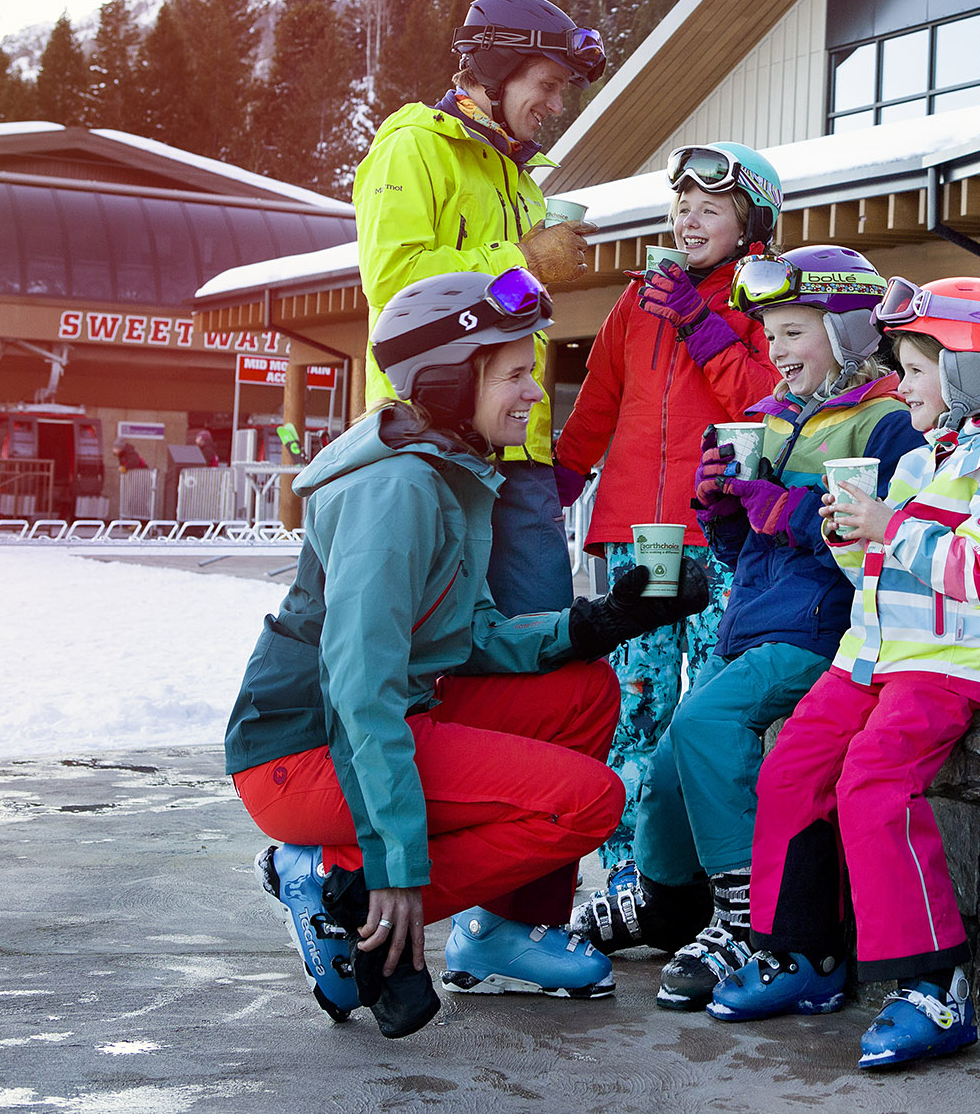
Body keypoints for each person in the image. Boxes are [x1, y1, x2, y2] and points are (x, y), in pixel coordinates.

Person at [224, 270, 709, 1039]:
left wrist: (602, 619)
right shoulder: (397, 492)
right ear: (453, 380)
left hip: (379, 720)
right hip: (308, 750)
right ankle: (339, 889)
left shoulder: (445, 467)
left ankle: (501, 933)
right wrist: (394, 866)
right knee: (588, 801)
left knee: (582, 691)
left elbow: (469, 636)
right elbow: (358, 689)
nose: (533, 394)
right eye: (515, 374)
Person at [706, 277, 980, 1071]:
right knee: (791, 767)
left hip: (946, 663)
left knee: (872, 780)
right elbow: (880, 564)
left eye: (913, 367)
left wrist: (889, 525)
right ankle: (805, 957)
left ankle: (934, 986)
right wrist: (852, 533)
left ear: (977, 369)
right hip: (873, 655)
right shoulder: (930, 456)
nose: (899, 381)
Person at [623, 246, 925, 1012]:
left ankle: (742, 917)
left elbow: (881, 546)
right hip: (752, 625)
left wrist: (782, 510)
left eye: (795, 331)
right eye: (771, 335)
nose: (777, 350)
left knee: (703, 725)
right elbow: (740, 550)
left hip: (822, 631)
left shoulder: (887, 425)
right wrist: (722, 507)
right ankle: (667, 903)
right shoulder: (769, 419)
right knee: (667, 763)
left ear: (852, 332)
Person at [552, 144, 783, 935]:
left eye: (709, 208)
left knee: (711, 702)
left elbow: (762, 404)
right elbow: (598, 405)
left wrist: (699, 319)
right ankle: (627, 877)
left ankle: (706, 877)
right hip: (642, 537)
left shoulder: (762, 305)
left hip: (722, 536)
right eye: (681, 205)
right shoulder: (636, 303)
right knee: (638, 703)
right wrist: (557, 478)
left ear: (751, 225)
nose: (688, 219)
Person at [352, 0, 604, 617]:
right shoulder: (413, 145)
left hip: (518, 447)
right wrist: (524, 260)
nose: (555, 106)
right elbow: (394, 279)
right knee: (434, 636)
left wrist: (532, 269)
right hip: (426, 439)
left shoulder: (521, 180)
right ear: (496, 71)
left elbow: (512, 304)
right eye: (546, 85)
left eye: (561, 92)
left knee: (543, 636)